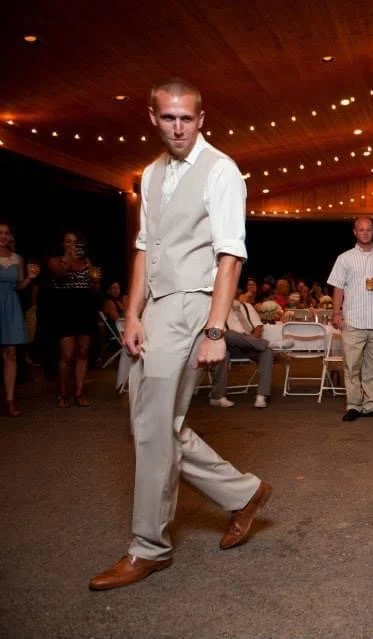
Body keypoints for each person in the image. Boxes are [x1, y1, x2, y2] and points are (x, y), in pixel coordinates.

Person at [89, 78, 271, 591]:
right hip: (156, 308)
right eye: (168, 118)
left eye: (186, 118)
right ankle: (243, 492)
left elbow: (230, 256)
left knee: (151, 429)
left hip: (193, 304)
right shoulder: (149, 174)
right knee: (153, 425)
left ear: (201, 119)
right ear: (153, 118)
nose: (178, 128)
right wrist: (132, 314)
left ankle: (149, 547)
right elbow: (144, 248)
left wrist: (215, 329)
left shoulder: (221, 170)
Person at [328, 217, 373, 422]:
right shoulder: (344, 258)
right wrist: (336, 312)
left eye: (369, 230)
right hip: (353, 320)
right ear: (355, 232)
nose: (365, 233)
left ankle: (372, 405)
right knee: (352, 366)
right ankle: (354, 406)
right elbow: (338, 287)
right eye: (361, 230)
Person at [48, 231, 100, 407]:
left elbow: (94, 289)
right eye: (69, 242)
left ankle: (79, 393)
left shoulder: (87, 262)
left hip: (85, 309)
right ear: (63, 244)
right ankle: (62, 394)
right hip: (65, 310)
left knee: (83, 353)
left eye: (76, 242)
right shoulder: (55, 261)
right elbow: (61, 276)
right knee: (68, 355)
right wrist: (70, 259)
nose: (73, 245)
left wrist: (95, 282)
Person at [208, 293, 274, 408]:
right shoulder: (213, 308)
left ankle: (261, 395)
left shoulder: (247, 306)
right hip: (226, 345)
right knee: (229, 335)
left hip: (248, 343)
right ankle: (217, 397)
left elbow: (258, 327)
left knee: (266, 352)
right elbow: (212, 332)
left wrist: (250, 340)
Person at [0, 222, 39, 416]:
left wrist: (30, 277)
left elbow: (19, 286)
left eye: (6, 233)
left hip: (11, 305)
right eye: (0, 233)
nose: (3, 236)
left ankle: (10, 400)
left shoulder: (17, 258)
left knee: (12, 353)